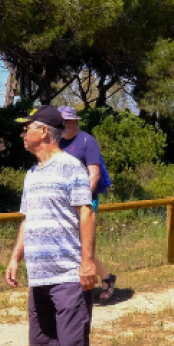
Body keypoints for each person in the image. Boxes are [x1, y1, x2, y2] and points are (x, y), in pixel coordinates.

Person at [5, 105, 114, 346]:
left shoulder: (71, 168)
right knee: (49, 342)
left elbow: (86, 214)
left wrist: (87, 263)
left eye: (28, 128)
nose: (23, 134)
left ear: (45, 132)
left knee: (74, 342)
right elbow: (28, 220)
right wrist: (15, 257)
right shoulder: (32, 174)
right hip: (39, 275)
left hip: (68, 272)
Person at [57, 106, 117, 300]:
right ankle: (106, 277)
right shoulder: (57, 142)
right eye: (61, 122)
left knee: (82, 243)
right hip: (63, 201)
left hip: (85, 201)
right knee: (74, 243)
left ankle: (97, 279)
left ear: (74, 122)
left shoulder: (87, 141)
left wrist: (81, 199)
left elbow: (94, 174)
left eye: (66, 122)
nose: (63, 126)